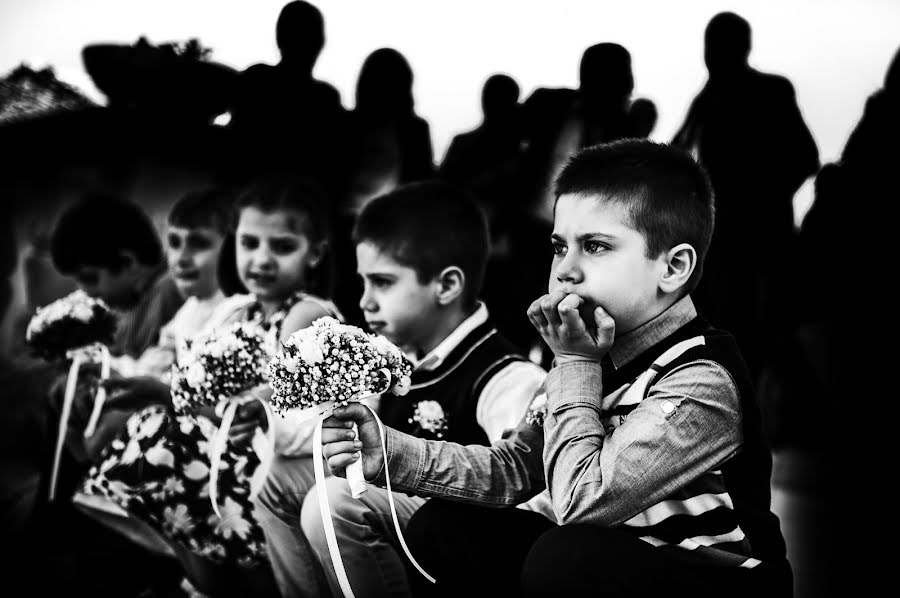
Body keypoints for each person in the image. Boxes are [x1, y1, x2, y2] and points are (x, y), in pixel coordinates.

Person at [320, 140, 792, 598]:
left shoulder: (701, 377)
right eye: (558, 246)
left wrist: (573, 363)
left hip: (714, 579)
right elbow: (512, 470)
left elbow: (584, 502)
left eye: (596, 246)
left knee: (565, 555)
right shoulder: (590, 354)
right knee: (447, 527)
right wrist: (389, 452)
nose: (566, 269)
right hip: (613, 561)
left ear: (673, 268)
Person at [255, 179, 547, 598]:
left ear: (446, 286)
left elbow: (528, 498)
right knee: (280, 478)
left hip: (454, 535)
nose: (366, 301)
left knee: (334, 501)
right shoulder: (394, 355)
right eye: (363, 283)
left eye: (384, 282)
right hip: (394, 509)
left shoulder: (506, 377)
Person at [75, 172, 343, 597]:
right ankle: (206, 580)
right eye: (249, 243)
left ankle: (227, 582)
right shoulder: (238, 311)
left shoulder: (306, 313)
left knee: (170, 442)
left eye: (283, 247)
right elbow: (192, 379)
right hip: (236, 443)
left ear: (316, 254)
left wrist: (176, 398)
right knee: (156, 429)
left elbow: (281, 410)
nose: (262, 260)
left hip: (286, 456)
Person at [49, 193, 185, 360]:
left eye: (90, 278)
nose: (87, 292)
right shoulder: (136, 299)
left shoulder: (171, 290)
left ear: (128, 263)